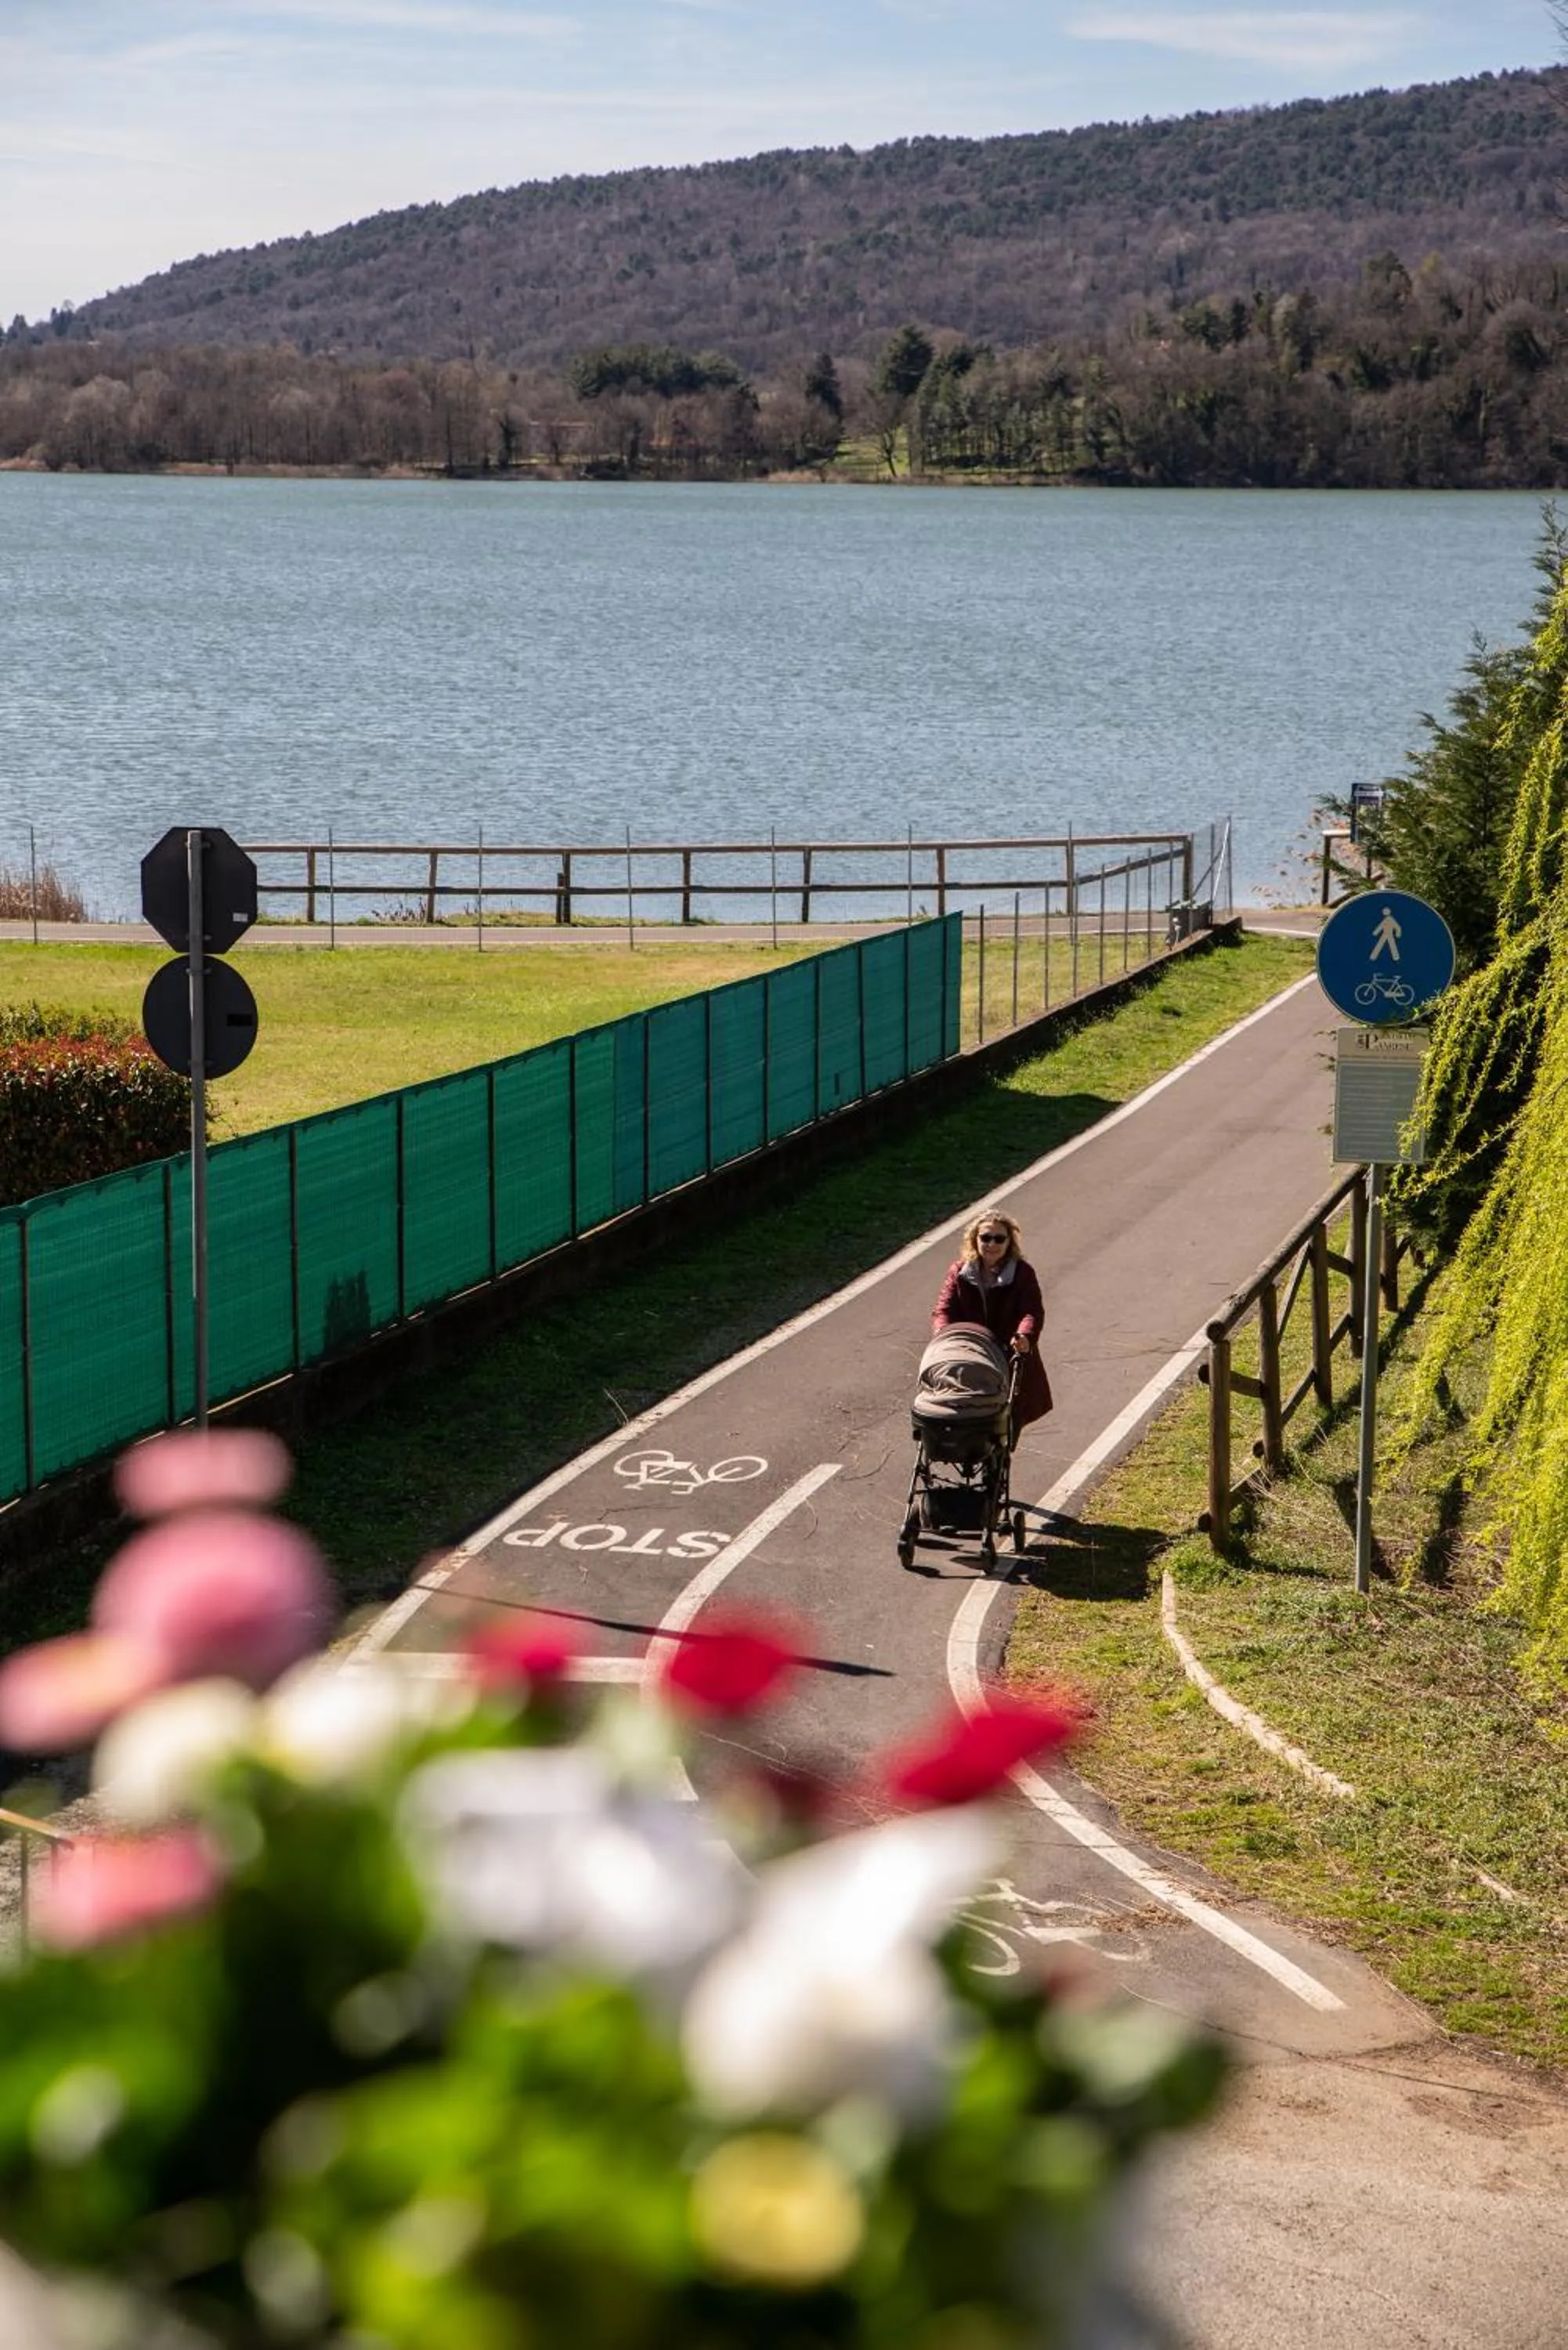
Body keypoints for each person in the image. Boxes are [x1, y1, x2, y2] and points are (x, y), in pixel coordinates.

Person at [930, 1207, 1053, 1431]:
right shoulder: (959, 1273)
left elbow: (1031, 1311)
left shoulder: (1022, 1273)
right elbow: (943, 1309)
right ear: (975, 1239)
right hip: (969, 1351)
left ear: (1009, 1242)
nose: (992, 1244)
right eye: (986, 1238)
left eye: (999, 1239)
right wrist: (943, 1334)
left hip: (1007, 1351)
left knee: (1008, 1417)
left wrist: (1025, 1335)